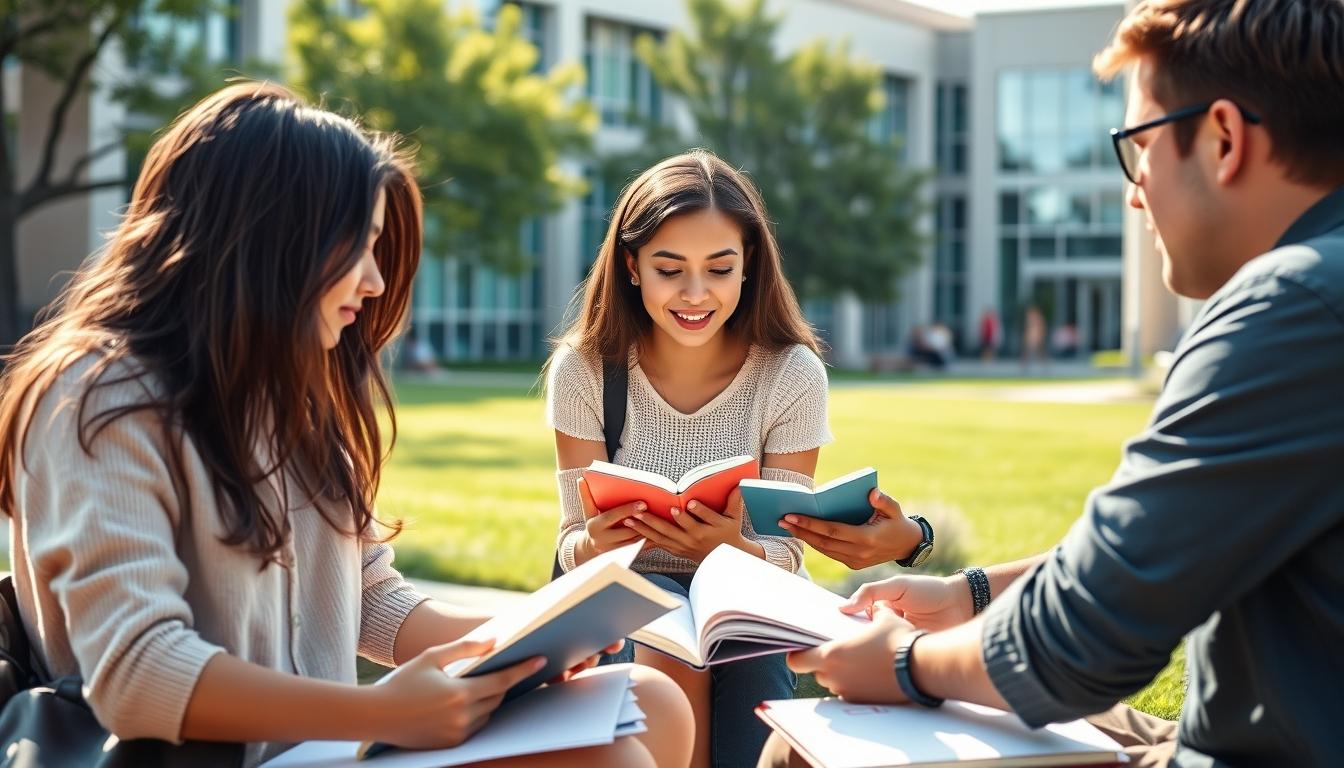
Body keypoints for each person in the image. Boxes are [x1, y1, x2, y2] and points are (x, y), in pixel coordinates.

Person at [0, 83, 693, 768]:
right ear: (271, 240)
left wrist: (532, 640)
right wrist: (385, 713)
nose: (375, 282)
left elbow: (367, 603)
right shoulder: (97, 397)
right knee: (612, 758)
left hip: (321, 746)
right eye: (356, 247)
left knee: (651, 700)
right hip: (203, 757)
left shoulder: (291, 394)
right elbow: (138, 674)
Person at [768, 1, 1344, 766]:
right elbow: (1151, 557)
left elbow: (1079, 649)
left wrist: (904, 664)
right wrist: (967, 594)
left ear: (1224, 139)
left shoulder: (1291, 307)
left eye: (1137, 147)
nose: (1134, 193)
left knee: (805, 751)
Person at [545, 149, 831, 768]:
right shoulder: (584, 369)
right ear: (632, 266)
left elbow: (787, 554)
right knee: (656, 651)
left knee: (751, 681)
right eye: (669, 269)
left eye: (719, 269)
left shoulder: (791, 375)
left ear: (748, 266)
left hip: (742, 593)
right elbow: (571, 544)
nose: (695, 294)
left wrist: (732, 550)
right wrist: (594, 544)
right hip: (626, 590)